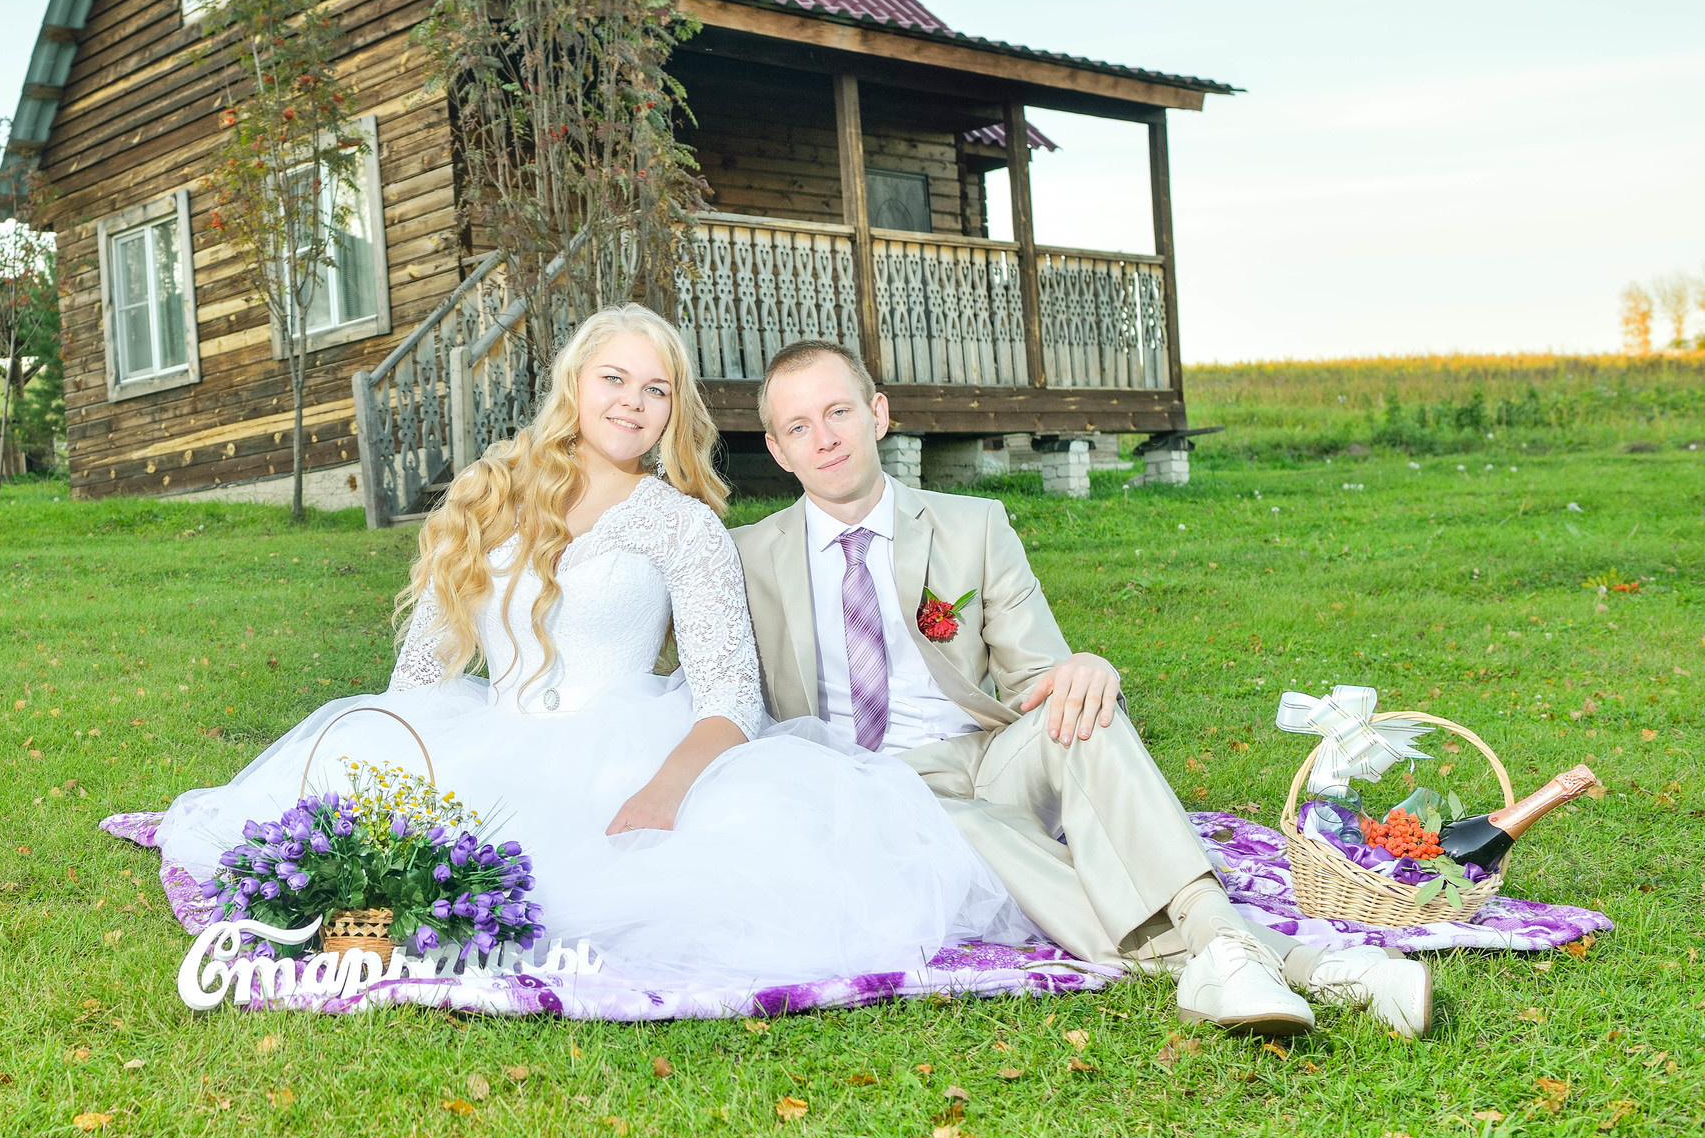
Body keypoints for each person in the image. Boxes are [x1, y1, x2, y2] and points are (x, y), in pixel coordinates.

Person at [148, 304, 1049, 1017]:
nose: (632, 401)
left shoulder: (681, 524)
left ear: (673, 410)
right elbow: (421, 674)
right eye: (614, 377)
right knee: (358, 858)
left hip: (627, 746)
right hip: (489, 738)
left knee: (637, 897)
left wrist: (661, 794)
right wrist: (388, 769)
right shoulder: (487, 495)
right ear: (573, 383)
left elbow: (730, 698)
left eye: (656, 389)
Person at [733, 338, 1432, 1037]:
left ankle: (1221, 944)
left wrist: (1086, 668)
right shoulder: (748, 557)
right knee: (959, 825)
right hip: (868, 788)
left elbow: (1040, 677)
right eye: (799, 427)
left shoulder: (972, 525)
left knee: (1085, 711)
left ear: (877, 414)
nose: (824, 439)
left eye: (838, 412)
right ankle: (1304, 966)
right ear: (777, 448)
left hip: (986, 759)